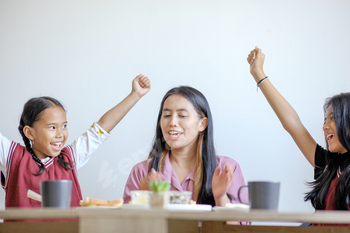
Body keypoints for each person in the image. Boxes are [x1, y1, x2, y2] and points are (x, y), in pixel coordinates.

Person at [0, 74, 150, 208]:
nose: (60, 134)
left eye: (64, 126)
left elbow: (103, 127)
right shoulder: (11, 157)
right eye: (52, 127)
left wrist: (135, 95)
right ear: (29, 132)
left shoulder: (70, 157)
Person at [247, 47, 350, 224]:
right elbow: (293, 124)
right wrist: (258, 73)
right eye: (324, 120)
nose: (325, 127)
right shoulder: (327, 164)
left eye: (332, 119)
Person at [123, 86, 248, 211]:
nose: (172, 122)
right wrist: (144, 198)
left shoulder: (226, 169)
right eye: (166, 115)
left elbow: (239, 228)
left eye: (182, 115)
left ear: (202, 124)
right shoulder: (142, 172)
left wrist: (220, 197)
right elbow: (127, 226)